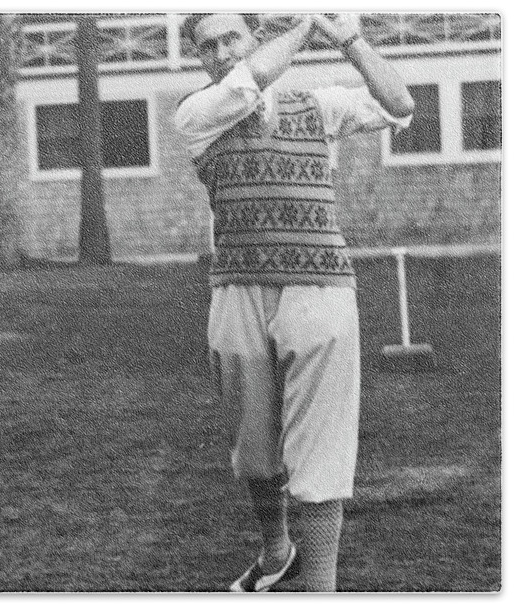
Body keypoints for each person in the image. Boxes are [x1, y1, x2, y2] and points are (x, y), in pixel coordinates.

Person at [173, 14, 414, 592]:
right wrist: (307, 25)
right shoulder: (194, 115)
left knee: (321, 449)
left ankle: (320, 591)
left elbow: (399, 105)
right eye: (207, 45)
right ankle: (276, 547)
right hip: (238, 289)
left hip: (321, 285)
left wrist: (351, 42)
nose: (221, 51)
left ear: (253, 37)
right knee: (254, 451)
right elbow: (247, 81)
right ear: (199, 58)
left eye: (232, 36)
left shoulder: (318, 104)